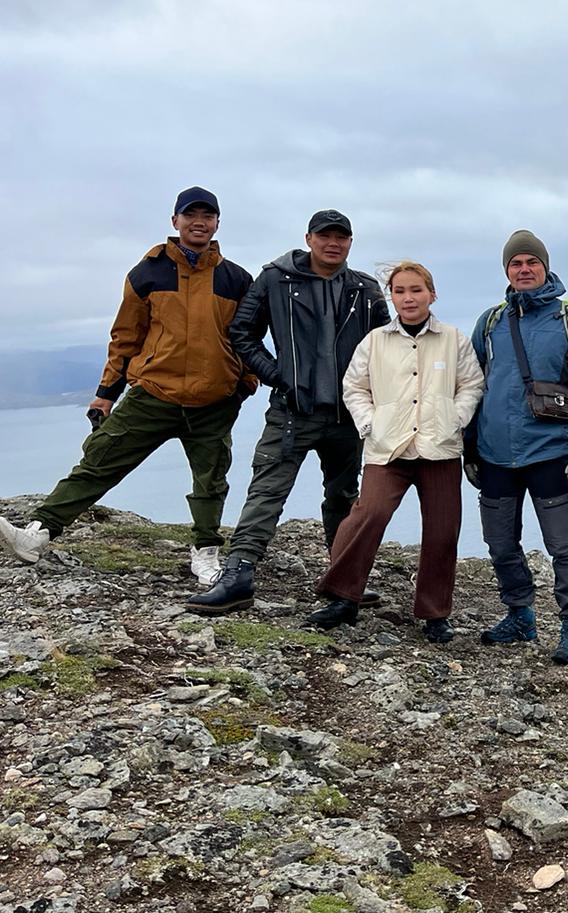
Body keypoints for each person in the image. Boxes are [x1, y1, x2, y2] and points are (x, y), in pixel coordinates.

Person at [0, 188, 255, 581]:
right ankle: (37, 535)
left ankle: (205, 554)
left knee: (211, 480)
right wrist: (106, 395)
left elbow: (249, 336)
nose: (199, 221)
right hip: (153, 395)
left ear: (218, 222)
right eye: (191, 215)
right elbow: (125, 338)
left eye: (208, 215)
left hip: (213, 401)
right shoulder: (147, 273)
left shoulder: (236, 279)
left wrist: (244, 385)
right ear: (175, 222)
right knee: (99, 461)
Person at [186, 210, 389, 614]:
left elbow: (386, 346)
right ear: (309, 238)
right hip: (292, 410)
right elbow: (242, 332)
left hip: (348, 414)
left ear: (351, 242)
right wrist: (277, 375)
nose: (333, 243)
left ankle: (343, 577)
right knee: (267, 491)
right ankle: (238, 575)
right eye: (325, 235)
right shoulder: (277, 279)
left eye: (341, 237)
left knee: (344, 495)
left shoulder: (365, 289)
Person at [307, 260, 484, 642]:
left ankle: (435, 613)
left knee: (441, 531)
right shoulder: (375, 341)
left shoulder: (454, 339)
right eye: (400, 291)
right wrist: (370, 424)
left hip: (439, 447)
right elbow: (354, 387)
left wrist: (457, 416)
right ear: (392, 296)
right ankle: (342, 598)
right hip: (388, 447)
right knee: (367, 515)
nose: (408, 297)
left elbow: (471, 384)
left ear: (431, 295)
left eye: (416, 290)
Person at [469, 230, 568, 663]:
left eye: (531, 262)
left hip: (550, 452)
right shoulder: (490, 322)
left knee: (564, 545)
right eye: (516, 264)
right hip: (494, 454)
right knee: (500, 543)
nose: (524, 269)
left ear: (545, 267)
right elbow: (471, 388)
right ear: (506, 272)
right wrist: (469, 446)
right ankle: (520, 614)